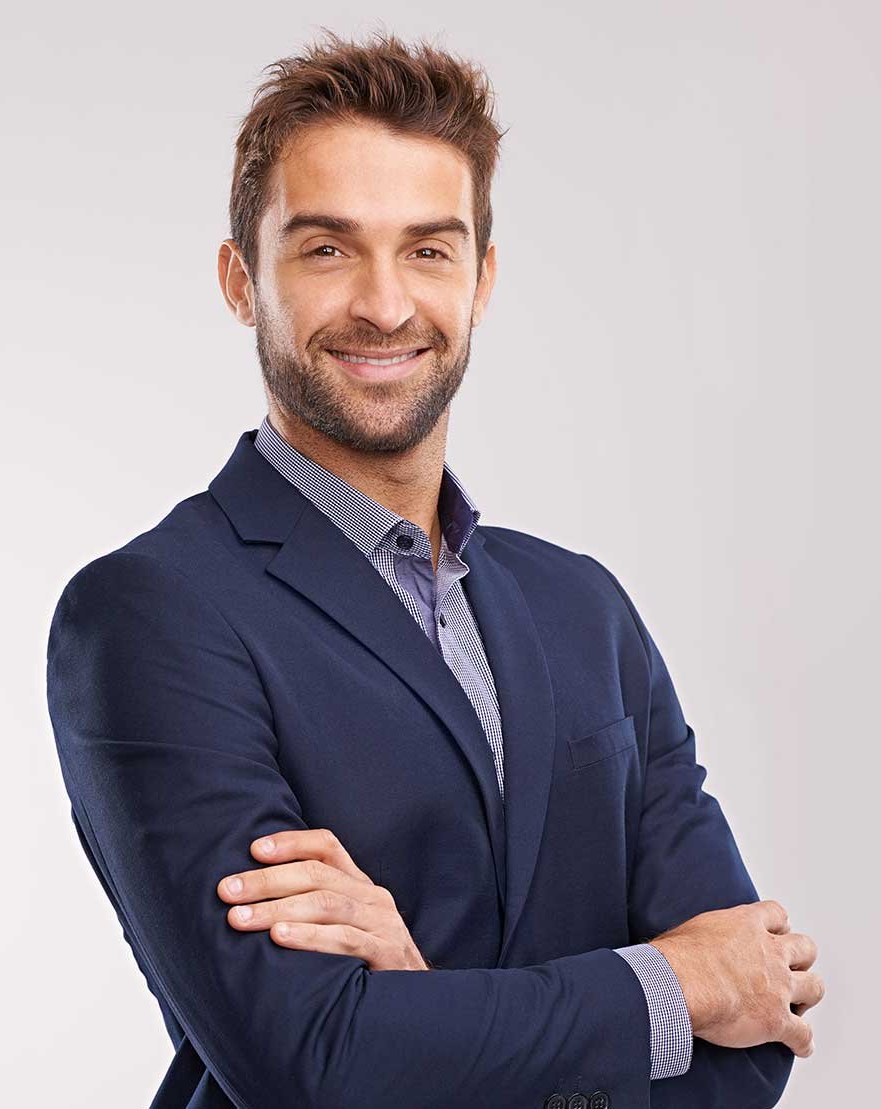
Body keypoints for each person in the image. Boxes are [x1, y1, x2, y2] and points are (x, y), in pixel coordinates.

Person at [46, 28, 823, 1109]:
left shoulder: (584, 607)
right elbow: (311, 1060)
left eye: (428, 250)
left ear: (482, 278)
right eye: (327, 249)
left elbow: (757, 1033)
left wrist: (427, 1016)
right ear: (241, 280)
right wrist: (672, 984)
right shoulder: (148, 616)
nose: (384, 303)